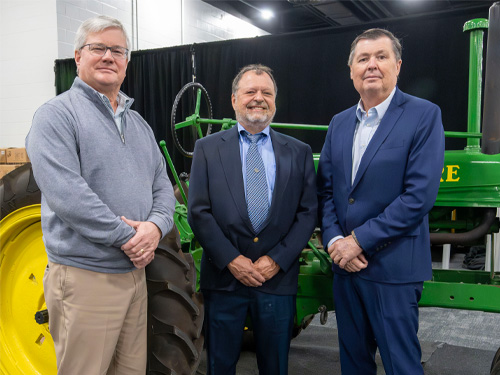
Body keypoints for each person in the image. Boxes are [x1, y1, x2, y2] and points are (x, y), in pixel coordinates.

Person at [26, 15, 175, 375]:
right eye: (98, 48)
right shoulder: (56, 117)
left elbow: (162, 186)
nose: (108, 56)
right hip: (85, 277)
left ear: (126, 63)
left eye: (118, 51)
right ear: (78, 57)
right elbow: (68, 195)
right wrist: (131, 238)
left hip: (134, 276)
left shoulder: (138, 124)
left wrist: (154, 228)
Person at [317, 28, 445, 375]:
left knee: (401, 365)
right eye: (363, 59)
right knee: (353, 365)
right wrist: (334, 242)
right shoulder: (339, 123)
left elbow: (419, 197)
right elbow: (327, 193)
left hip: (393, 269)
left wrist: (358, 241)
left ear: (397, 66)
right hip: (346, 269)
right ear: (351, 71)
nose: (371, 65)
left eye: (381, 56)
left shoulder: (423, 115)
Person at [188, 64, 317, 374]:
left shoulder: (298, 152)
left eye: (266, 93)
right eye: (250, 92)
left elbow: (308, 212)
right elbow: (198, 211)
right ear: (234, 100)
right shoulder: (206, 149)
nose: (258, 98)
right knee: (220, 366)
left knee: (275, 366)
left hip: (277, 281)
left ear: (274, 101)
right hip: (224, 282)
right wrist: (233, 260)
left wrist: (276, 260)